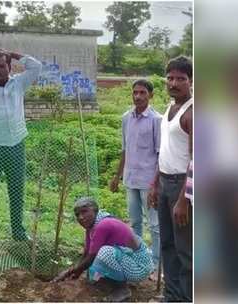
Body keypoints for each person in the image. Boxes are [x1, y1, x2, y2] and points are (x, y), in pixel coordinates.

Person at [148, 56, 193, 302]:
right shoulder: (170, 107)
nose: (174, 83)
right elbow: (165, 151)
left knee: (185, 251)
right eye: (170, 78)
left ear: (191, 81)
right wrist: (155, 184)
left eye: (181, 79)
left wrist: (184, 200)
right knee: (167, 244)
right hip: (165, 182)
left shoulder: (192, 112)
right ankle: (172, 296)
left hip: (182, 186)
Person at [53, 197, 153, 302]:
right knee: (92, 273)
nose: (81, 217)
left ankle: (122, 289)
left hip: (140, 266)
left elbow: (91, 257)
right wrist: (77, 273)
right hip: (127, 260)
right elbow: (86, 253)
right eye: (77, 215)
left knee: (104, 253)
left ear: (95, 210)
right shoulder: (91, 227)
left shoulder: (104, 225)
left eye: (84, 211)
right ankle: (113, 283)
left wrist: (69, 272)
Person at [109, 79, 161, 279]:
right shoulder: (126, 118)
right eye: (135, 92)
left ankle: (156, 264)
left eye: (142, 93)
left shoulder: (157, 120)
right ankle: (141, 259)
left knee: (155, 225)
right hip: (130, 179)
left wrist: (155, 184)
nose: (138, 96)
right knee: (135, 221)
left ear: (151, 96)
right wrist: (117, 175)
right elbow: (125, 149)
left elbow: (159, 155)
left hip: (149, 181)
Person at [0, 48, 42, 241]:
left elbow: (36, 67)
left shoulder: (18, 83)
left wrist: (11, 53)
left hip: (17, 145)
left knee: (16, 190)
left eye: (1, 66)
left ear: (9, 67)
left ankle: (18, 233)